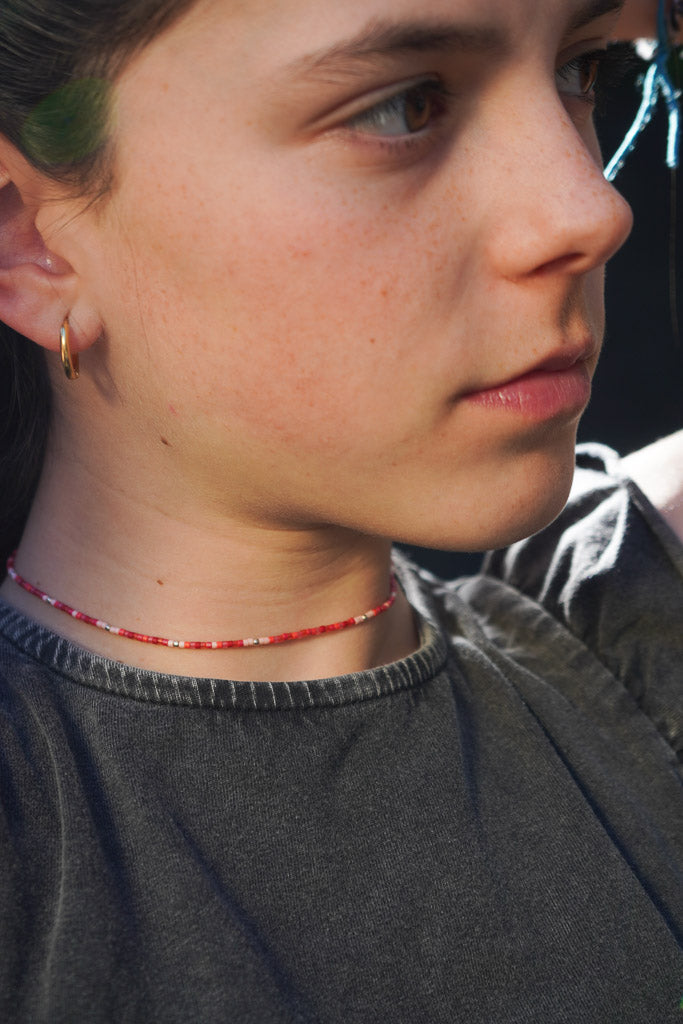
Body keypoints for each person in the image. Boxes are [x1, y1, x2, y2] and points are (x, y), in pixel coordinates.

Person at [0, 0, 680, 1021]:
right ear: (32, 241)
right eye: (404, 106)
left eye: (578, 70)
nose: (589, 210)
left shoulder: (628, 643)